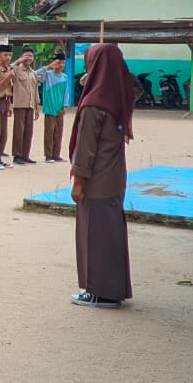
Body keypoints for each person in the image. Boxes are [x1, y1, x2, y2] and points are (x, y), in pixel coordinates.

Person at [69, 43, 136, 308]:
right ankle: (113, 289)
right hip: (115, 177)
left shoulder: (93, 104)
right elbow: (131, 85)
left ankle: (99, 292)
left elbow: (85, 149)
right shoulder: (118, 98)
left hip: (96, 180)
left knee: (94, 235)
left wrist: (78, 181)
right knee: (112, 234)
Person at [11, 46, 41, 165]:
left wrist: (37, 107)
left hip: (30, 105)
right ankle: (17, 155)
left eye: (31, 56)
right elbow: (9, 68)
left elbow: (35, 90)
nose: (29, 58)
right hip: (20, 104)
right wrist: (19, 61)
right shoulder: (17, 70)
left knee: (29, 131)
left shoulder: (33, 73)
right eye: (26, 56)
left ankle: (25, 155)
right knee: (19, 131)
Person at [38, 51, 70, 162]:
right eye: (59, 62)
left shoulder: (65, 77)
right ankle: (48, 155)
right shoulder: (47, 75)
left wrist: (65, 107)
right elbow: (36, 75)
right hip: (50, 109)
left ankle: (56, 155)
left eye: (63, 63)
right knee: (49, 133)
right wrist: (49, 66)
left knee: (59, 133)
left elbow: (66, 92)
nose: (61, 65)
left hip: (60, 109)